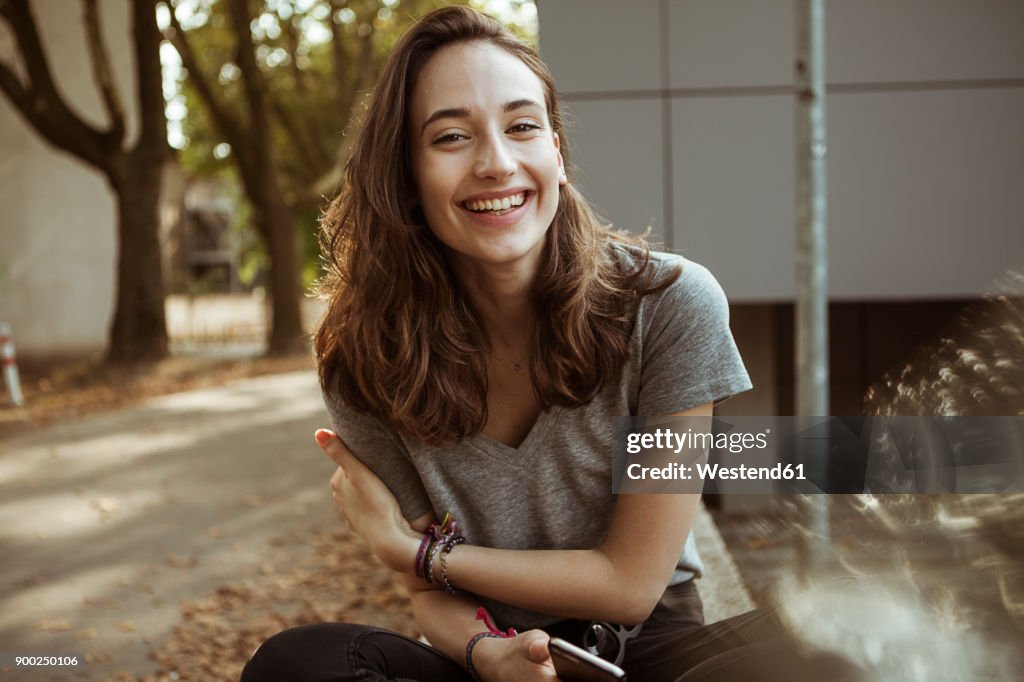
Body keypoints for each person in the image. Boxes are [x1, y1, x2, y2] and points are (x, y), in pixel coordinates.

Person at [241, 7, 863, 682]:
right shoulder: (367, 356)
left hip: (650, 654)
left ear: (557, 155)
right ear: (408, 179)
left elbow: (629, 583)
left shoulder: (668, 307)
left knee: (830, 646)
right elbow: (430, 602)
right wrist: (489, 655)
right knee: (295, 664)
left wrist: (419, 553)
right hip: (494, 658)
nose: (496, 162)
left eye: (522, 127)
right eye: (451, 137)